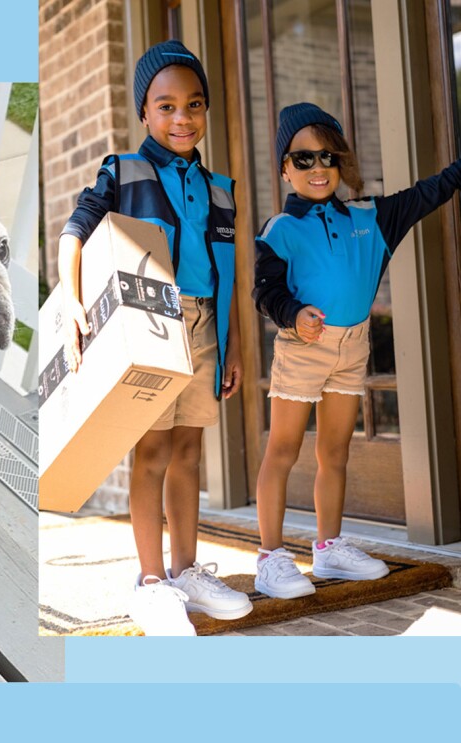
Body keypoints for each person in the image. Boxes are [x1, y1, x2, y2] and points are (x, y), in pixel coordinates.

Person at [58, 40, 250, 635]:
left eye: (194, 105)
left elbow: (226, 273)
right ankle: (150, 581)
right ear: (145, 112)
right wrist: (69, 301)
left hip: (204, 331)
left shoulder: (221, 189)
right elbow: (75, 232)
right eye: (165, 107)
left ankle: (186, 570)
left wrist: (234, 344)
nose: (182, 118)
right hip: (151, 322)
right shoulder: (125, 171)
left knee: (191, 451)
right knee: (153, 452)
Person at [252, 103, 461, 599]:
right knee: (282, 449)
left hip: (353, 347)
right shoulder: (280, 228)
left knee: (336, 450)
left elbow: (431, 192)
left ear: (340, 163)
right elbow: (266, 291)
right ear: (285, 168)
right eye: (302, 159)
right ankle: (271, 557)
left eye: (326, 157)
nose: (317, 168)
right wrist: (292, 313)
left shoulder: (372, 217)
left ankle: (328, 549)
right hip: (304, 349)